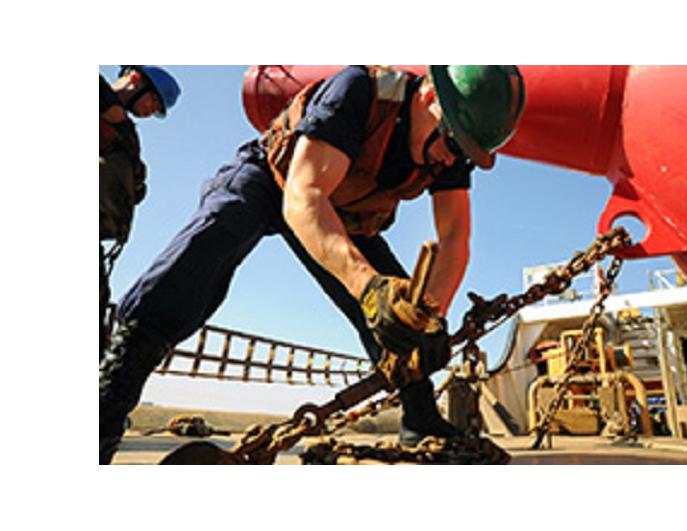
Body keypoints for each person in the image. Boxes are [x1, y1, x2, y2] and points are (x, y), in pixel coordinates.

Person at [99, 65, 525, 464]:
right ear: (429, 96)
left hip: (345, 211)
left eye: (465, 152)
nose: (452, 159)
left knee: (402, 308)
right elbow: (305, 198)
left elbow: (454, 239)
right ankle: (109, 398)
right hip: (274, 178)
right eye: (453, 143)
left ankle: (420, 416)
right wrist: (368, 288)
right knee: (211, 242)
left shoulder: (450, 149)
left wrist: (429, 319)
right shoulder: (359, 91)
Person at [99, 66, 181, 361]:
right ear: (135, 78)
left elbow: (136, 186)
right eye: (154, 101)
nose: (152, 111)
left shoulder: (127, 136)